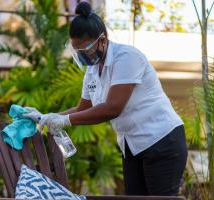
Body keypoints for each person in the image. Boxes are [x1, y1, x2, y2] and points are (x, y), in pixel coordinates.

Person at [22, 1, 187, 196]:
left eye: (85, 50)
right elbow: (82, 108)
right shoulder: (92, 71)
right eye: (77, 51)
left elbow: (112, 108)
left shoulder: (127, 57)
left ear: (102, 40)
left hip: (162, 140)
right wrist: (48, 116)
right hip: (132, 146)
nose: (81, 56)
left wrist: (65, 121)